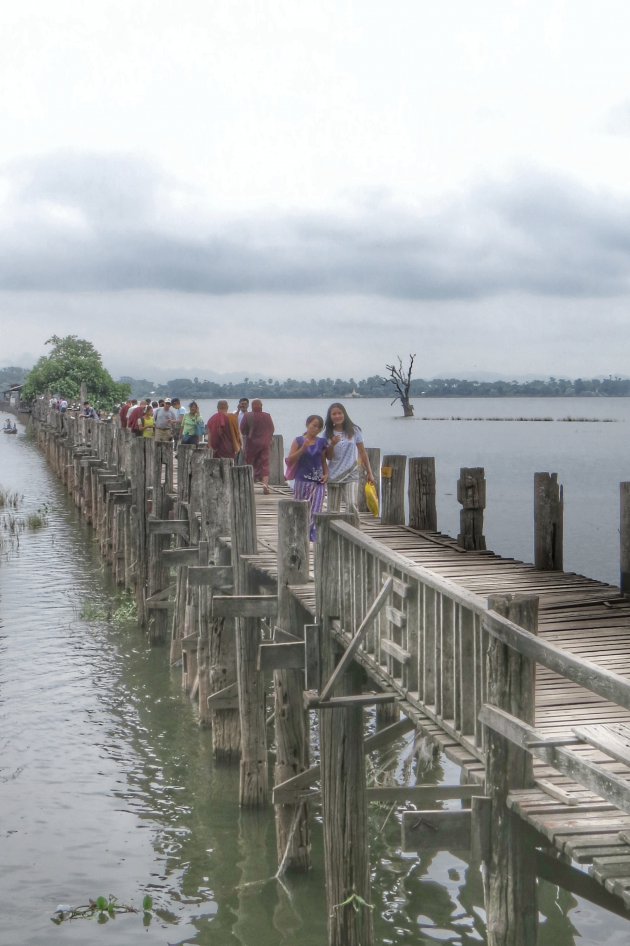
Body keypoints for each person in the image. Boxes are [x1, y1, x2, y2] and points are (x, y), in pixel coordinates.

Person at [325, 402, 374, 517]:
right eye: (334, 414)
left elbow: (362, 452)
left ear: (344, 414)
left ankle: (354, 530)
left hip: (351, 472)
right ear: (330, 417)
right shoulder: (327, 433)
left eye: (339, 413)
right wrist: (331, 444)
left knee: (352, 504)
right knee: (332, 509)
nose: (337, 416)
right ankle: (332, 533)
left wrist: (370, 472)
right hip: (334, 474)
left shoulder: (354, 430)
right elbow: (328, 457)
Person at [286, 415, 328, 541]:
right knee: (300, 508)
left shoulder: (322, 442)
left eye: (319, 427)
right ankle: (299, 532)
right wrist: (302, 450)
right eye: (314, 425)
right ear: (307, 424)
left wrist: (327, 474)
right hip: (302, 481)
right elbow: (289, 461)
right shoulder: (298, 441)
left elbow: (323, 461)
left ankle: (312, 534)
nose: (316, 429)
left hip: (318, 482)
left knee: (316, 510)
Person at [240, 399, 274, 493]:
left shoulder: (247, 416)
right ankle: (265, 485)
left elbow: (242, 429)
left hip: (252, 443)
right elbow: (272, 429)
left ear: (251, 406)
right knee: (265, 463)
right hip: (264, 443)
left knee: (249, 463)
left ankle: (249, 485)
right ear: (261, 406)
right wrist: (268, 437)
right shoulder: (267, 416)